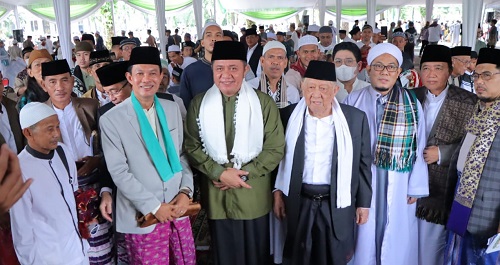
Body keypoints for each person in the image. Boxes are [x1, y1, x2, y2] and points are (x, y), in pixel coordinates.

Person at [184, 41, 285, 265]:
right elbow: (191, 146)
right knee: (223, 254)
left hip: (253, 196)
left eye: (233, 68)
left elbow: (275, 148)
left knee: (256, 254)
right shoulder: (199, 104)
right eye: (219, 68)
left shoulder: (263, 104)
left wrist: (243, 174)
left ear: (245, 69)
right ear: (212, 69)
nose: (226, 75)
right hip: (216, 195)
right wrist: (219, 173)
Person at [100, 46, 195, 264]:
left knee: (185, 260)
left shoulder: (171, 108)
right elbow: (119, 172)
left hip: (177, 208)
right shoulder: (112, 119)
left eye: (153, 73)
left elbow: (182, 155)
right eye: (140, 73)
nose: (146, 79)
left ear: (162, 76)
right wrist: (154, 207)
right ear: (129, 77)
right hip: (144, 215)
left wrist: (185, 192)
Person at [273, 59, 371, 265]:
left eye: (323, 88)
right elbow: (278, 159)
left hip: (336, 203)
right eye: (311, 87)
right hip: (300, 200)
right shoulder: (287, 117)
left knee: (334, 257)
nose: (316, 94)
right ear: (302, 88)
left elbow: (363, 165)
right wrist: (277, 194)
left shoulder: (354, 119)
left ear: (335, 90)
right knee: (299, 257)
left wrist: (363, 204)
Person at [344, 43, 429, 265]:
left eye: (391, 67)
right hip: (364, 180)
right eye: (379, 66)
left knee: (395, 235)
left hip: (399, 180)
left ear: (399, 72)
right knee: (365, 234)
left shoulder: (412, 103)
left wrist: (416, 185)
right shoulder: (353, 100)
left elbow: (418, 145)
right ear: (368, 69)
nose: (384, 72)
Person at [42, 60, 114, 264]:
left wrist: (97, 160)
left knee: (101, 239)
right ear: (43, 85)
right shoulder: (39, 114)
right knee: (71, 242)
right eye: (53, 82)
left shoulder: (90, 106)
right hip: (61, 187)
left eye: (65, 80)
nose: (59, 87)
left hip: (94, 179)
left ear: (73, 81)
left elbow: (107, 143)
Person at [413, 45, 477, 265]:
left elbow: (475, 143)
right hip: (409, 185)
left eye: (438, 68)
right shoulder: (412, 97)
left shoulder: (468, 102)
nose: (431, 74)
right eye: (426, 68)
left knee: (432, 250)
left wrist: (442, 153)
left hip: (440, 190)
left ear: (449, 71)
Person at [10, 102, 90, 264]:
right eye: (49, 129)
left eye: (57, 127)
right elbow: (22, 232)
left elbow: (74, 193)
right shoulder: (19, 172)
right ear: (28, 133)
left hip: (79, 251)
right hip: (51, 258)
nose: (56, 134)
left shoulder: (62, 152)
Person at [444, 47, 500, 264]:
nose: (479, 81)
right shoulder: (480, 111)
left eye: (487, 75)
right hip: (463, 201)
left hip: (488, 215)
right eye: (476, 75)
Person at [180, 21, 223, 108]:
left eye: (218, 35)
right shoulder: (190, 71)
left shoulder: (233, 70)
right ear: (202, 43)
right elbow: (186, 107)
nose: (213, 39)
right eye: (209, 35)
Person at [248, 41, 300, 108]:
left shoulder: (292, 92)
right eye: (271, 57)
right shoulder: (250, 88)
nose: (275, 62)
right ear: (262, 61)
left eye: (280, 58)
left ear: (285, 63)